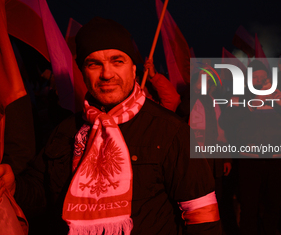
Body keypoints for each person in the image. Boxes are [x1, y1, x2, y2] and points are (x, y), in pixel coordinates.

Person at [0, 17, 221, 235]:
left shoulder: (171, 131)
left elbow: (202, 216)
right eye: (94, 64)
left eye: (117, 61)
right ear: (83, 72)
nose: (107, 74)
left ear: (133, 69)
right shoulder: (66, 131)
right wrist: (14, 186)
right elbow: (43, 196)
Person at [219, 60, 281, 235]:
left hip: (275, 159)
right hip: (248, 159)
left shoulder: (279, 97)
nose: (259, 80)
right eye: (255, 77)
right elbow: (225, 121)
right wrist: (253, 104)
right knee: (249, 205)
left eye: (262, 77)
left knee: (273, 204)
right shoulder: (238, 98)